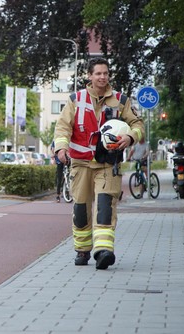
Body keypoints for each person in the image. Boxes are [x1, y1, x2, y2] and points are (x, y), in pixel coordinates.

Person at [53, 57, 144, 269]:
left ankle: (103, 251)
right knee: (81, 209)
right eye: (98, 73)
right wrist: (61, 148)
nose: (102, 77)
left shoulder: (121, 100)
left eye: (105, 73)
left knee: (104, 207)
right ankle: (82, 250)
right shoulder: (76, 99)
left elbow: (137, 124)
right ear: (90, 76)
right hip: (81, 164)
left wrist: (130, 137)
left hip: (107, 164)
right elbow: (63, 127)